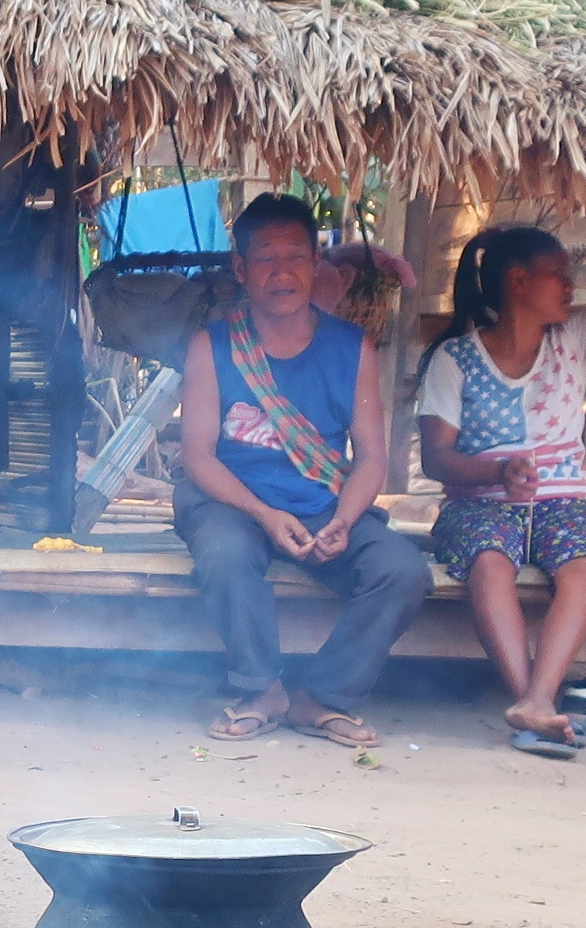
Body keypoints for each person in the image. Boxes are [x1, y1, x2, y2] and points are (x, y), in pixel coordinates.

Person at [414, 203, 586, 757]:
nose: (571, 286)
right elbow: (437, 460)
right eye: (560, 272)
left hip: (563, 504)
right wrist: (497, 472)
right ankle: (532, 701)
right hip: (477, 503)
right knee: (489, 560)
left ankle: (537, 700)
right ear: (518, 281)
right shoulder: (453, 359)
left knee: (582, 565)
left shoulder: (574, 341)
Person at [175, 194, 432, 747]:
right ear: (241, 270)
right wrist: (265, 514)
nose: (282, 271)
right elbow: (198, 456)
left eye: (296, 256)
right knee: (225, 554)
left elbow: (371, 458)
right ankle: (260, 688)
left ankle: (325, 696)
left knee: (402, 570)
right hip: (232, 501)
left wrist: (344, 518)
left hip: (321, 502)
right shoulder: (210, 347)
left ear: (317, 264)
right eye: (266, 258)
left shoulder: (352, 348)